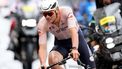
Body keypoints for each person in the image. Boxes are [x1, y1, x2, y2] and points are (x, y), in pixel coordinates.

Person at [37, 0, 96, 69]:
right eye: (45, 14)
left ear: (57, 10)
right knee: (52, 59)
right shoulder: (42, 24)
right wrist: (43, 63)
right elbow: (42, 46)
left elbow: (73, 31)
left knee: (91, 67)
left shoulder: (66, 12)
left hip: (77, 40)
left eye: (50, 14)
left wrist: (74, 48)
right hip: (61, 43)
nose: (47, 17)